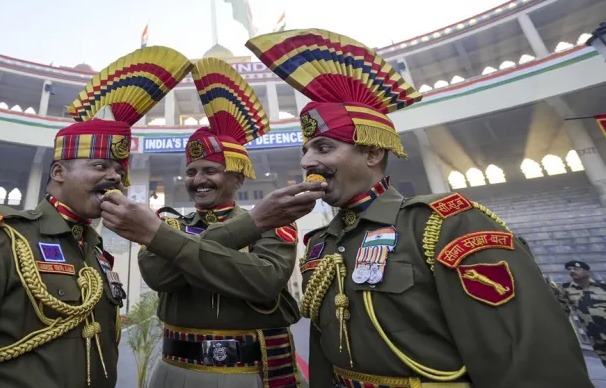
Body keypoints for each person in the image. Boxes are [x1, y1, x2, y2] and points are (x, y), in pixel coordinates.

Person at [245, 28, 593, 387]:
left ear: (372, 152)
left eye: (322, 148)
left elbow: (526, 353)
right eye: (305, 151)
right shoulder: (321, 243)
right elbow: (323, 356)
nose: (307, 162)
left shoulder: (443, 223)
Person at [0, 46, 194, 388]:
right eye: (100, 166)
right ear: (58, 172)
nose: (115, 178)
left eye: (119, 171)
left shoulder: (94, 251)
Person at [133, 56, 308, 388]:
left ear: (238, 179)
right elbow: (158, 276)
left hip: (246, 375)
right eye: (191, 172)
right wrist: (242, 234)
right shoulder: (169, 224)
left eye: (210, 171)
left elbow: (264, 282)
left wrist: (182, 254)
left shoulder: (273, 222)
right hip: (175, 372)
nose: (198, 179)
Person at [561, 260, 606, 368]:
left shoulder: (602, 286)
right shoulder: (567, 289)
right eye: (569, 269)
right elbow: (563, 310)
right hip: (594, 336)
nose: (572, 271)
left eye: (576, 269)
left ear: (587, 272)